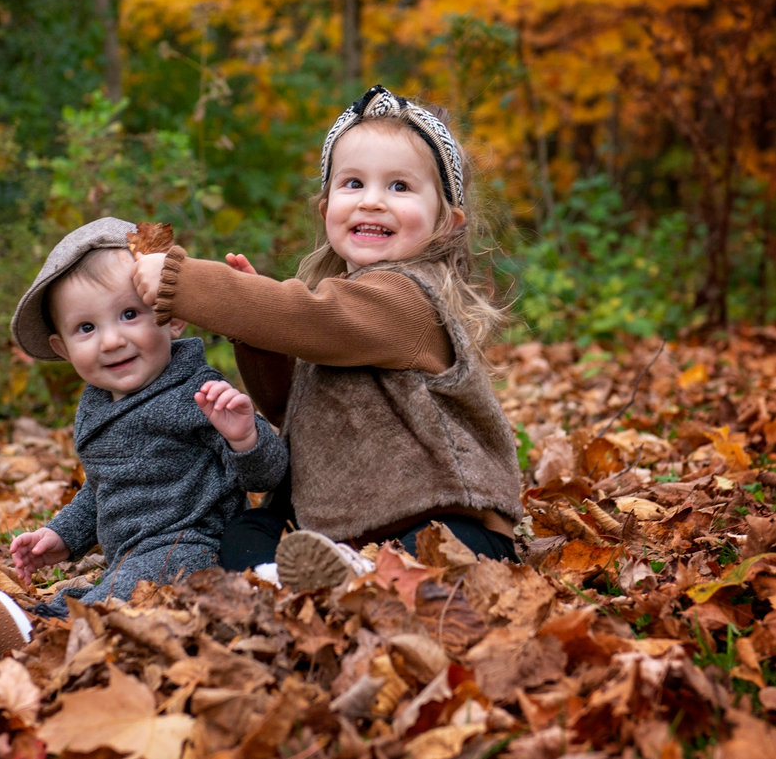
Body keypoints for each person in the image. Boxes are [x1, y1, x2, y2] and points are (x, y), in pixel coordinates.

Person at [132, 85, 524, 592]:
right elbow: (287, 406)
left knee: (435, 550)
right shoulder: (338, 307)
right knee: (249, 529)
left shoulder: (407, 299)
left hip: (439, 517)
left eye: (400, 187)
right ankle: (287, 580)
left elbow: (311, 316)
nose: (373, 201)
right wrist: (255, 332)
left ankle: (351, 582)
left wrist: (187, 284)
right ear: (326, 208)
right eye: (353, 183)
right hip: (339, 524)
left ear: (446, 223)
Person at [0, 217, 288, 659]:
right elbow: (101, 488)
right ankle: (21, 628)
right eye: (86, 328)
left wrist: (244, 438)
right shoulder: (97, 405)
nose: (112, 341)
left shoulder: (197, 392)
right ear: (62, 349)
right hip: (130, 556)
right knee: (105, 587)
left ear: (171, 319)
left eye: (130, 315)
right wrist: (61, 536)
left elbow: (269, 474)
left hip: (193, 547)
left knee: (123, 590)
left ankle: (41, 640)